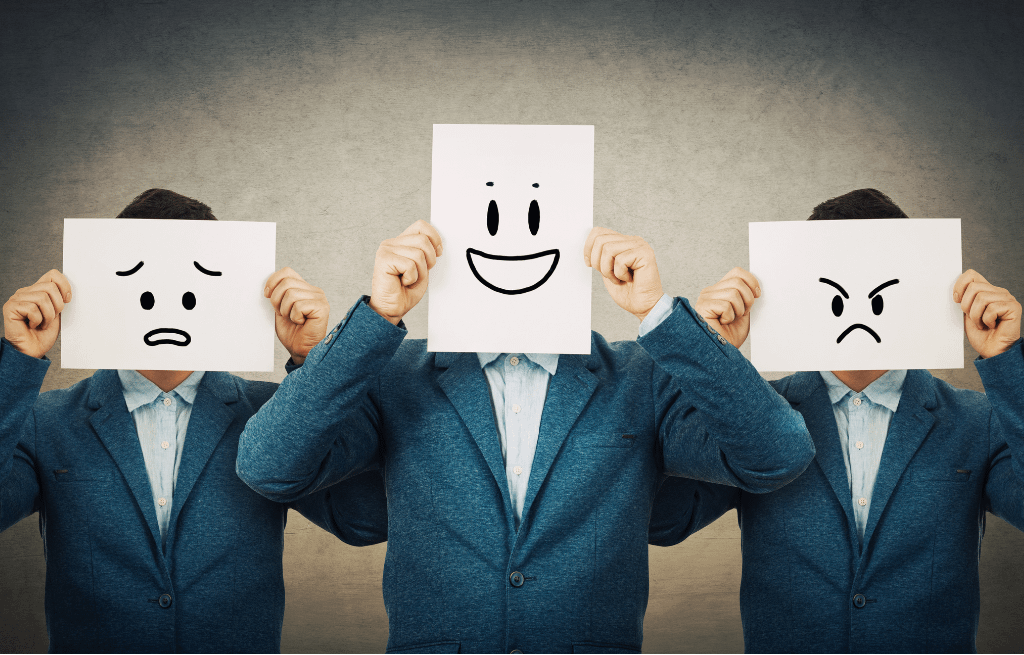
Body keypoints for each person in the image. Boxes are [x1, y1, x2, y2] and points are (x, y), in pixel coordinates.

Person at [235, 219, 815, 654]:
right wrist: (375, 320)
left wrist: (665, 320)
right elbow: (268, 466)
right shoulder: (392, 373)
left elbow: (777, 456)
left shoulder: (642, 374)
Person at [0, 189, 387, 653]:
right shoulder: (46, 421)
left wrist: (313, 366)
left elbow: (364, 519)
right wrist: (16, 363)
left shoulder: (270, 416)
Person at [650, 188, 1024, 653]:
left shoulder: (977, 420)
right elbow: (663, 519)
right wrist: (706, 356)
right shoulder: (758, 418)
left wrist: (1009, 363)